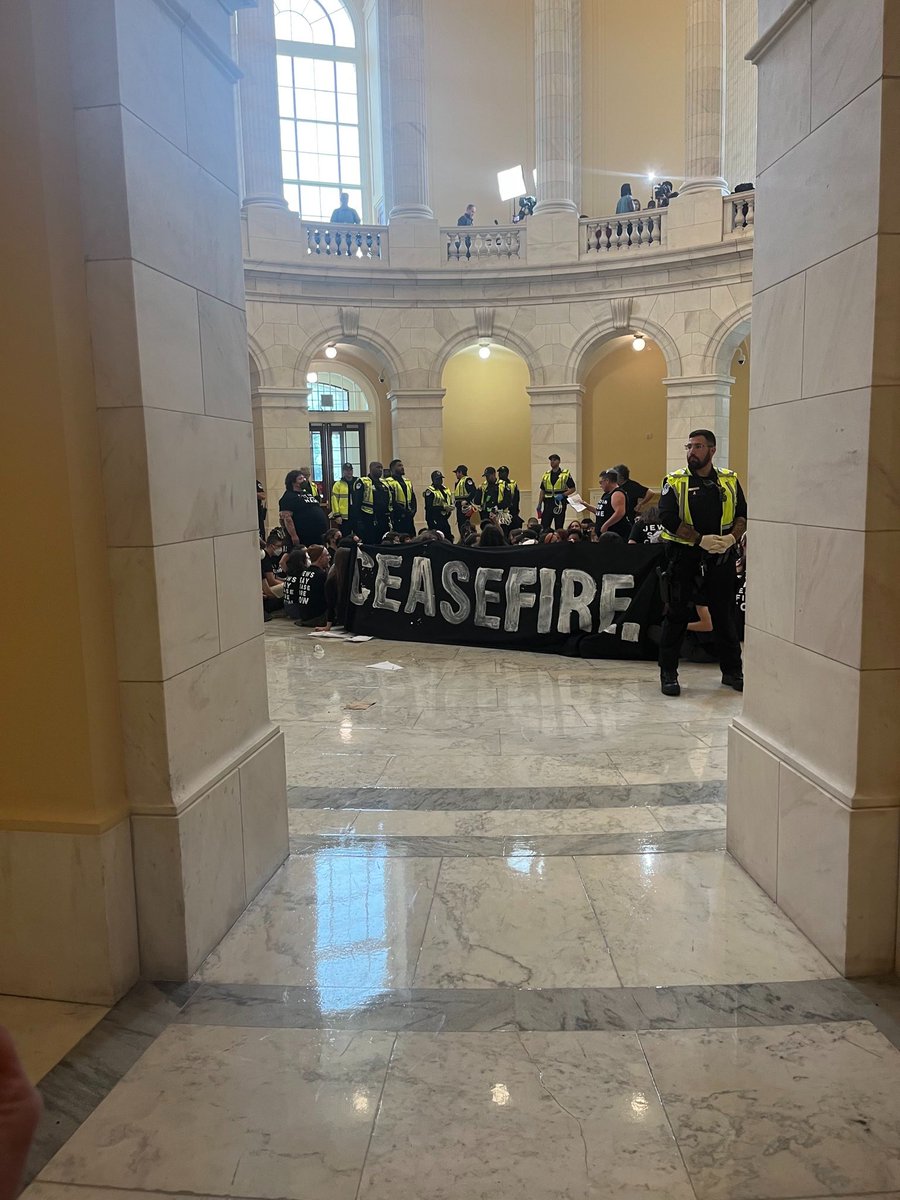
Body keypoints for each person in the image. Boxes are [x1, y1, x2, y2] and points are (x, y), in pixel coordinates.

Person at [657, 428, 747, 697]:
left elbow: (742, 513)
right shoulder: (674, 481)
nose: (691, 452)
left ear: (712, 450)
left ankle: (733, 671)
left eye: (697, 446)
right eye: (689, 447)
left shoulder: (729, 479)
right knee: (676, 614)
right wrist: (699, 540)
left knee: (724, 615)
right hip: (684, 556)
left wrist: (731, 538)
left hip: (721, 555)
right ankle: (668, 673)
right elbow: (667, 517)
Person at [279, 468, 329, 550]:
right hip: (304, 535)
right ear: (293, 482)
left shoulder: (306, 493)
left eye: (304, 478)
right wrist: (294, 536)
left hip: (318, 533)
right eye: (300, 479)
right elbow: (287, 519)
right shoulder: (288, 497)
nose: (304, 480)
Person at [288, 543, 330, 626]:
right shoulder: (321, 575)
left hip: (304, 615)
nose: (330, 557)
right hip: (317, 616)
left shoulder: (304, 573)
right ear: (320, 558)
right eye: (327, 555)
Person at [351, 461, 393, 544]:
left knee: (383, 540)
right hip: (368, 517)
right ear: (371, 469)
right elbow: (356, 502)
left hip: (383, 517)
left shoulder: (385, 483)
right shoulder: (363, 482)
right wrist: (358, 521)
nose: (380, 470)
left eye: (381, 468)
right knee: (370, 541)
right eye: (378, 467)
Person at [539, 454, 576, 532]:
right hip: (548, 503)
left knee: (559, 525)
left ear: (559, 461)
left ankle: (559, 538)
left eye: (554, 460)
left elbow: (573, 488)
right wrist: (539, 504)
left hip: (559, 503)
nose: (552, 462)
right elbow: (542, 490)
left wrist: (563, 495)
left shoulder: (565, 474)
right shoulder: (546, 475)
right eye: (551, 460)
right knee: (544, 525)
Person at [591, 469, 631, 539]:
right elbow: (601, 512)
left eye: (601, 482)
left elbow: (620, 513)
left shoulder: (617, 493)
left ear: (607, 481)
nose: (600, 485)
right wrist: (584, 504)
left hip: (615, 534)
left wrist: (606, 525)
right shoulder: (606, 494)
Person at [385, 458, 417, 535]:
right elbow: (392, 500)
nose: (402, 467)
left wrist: (414, 510)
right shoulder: (388, 482)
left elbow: (413, 497)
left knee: (412, 536)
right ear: (392, 468)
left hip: (409, 515)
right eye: (399, 466)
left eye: (402, 465)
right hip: (397, 515)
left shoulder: (407, 481)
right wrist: (404, 511)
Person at [424, 470, 454, 539]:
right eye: (438, 479)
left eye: (441, 479)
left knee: (448, 537)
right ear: (433, 480)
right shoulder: (430, 491)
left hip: (444, 518)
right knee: (437, 538)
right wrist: (443, 507)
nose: (440, 481)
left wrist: (449, 508)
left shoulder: (444, 489)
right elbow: (429, 507)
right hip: (434, 519)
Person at [453, 464, 479, 541]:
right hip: (459, 507)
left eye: (457, 472)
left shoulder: (467, 480)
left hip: (465, 507)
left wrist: (467, 500)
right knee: (461, 524)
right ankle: (463, 539)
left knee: (466, 524)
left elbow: (473, 491)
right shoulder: (458, 482)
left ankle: (468, 539)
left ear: (460, 472)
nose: (456, 475)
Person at [330, 462, 356, 537]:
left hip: (356, 516)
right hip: (344, 518)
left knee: (359, 538)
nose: (349, 472)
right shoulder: (338, 484)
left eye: (350, 470)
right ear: (343, 471)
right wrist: (337, 515)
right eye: (347, 470)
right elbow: (334, 501)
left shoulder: (357, 483)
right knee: (345, 537)